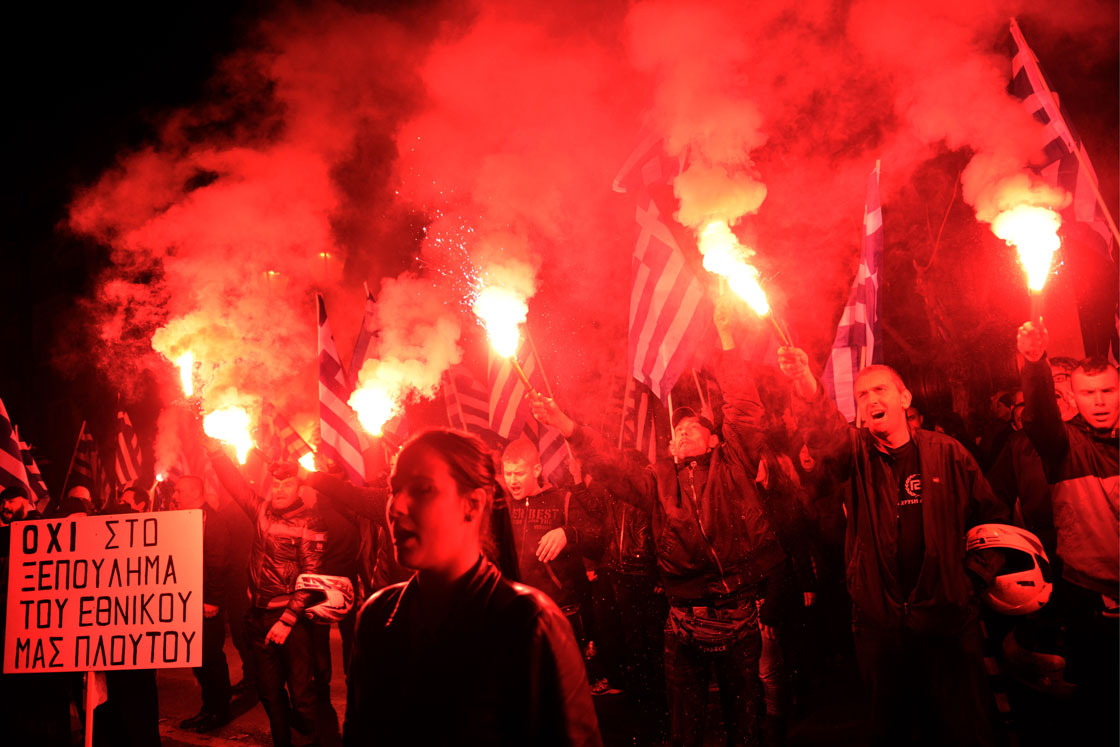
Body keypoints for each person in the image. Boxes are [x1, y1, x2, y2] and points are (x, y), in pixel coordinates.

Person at [533, 297, 785, 747]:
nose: (682, 431)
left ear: (715, 440)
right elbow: (611, 466)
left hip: (738, 615)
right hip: (683, 622)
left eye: (694, 428)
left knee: (744, 725)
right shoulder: (656, 480)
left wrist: (727, 342)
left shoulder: (734, 465)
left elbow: (745, 409)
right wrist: (569, 428)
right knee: (685, 730)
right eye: (677, 430)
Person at [778, 349, 1009, 747]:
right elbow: (824, 429)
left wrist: (969, 580)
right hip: (881, 625)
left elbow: (994, 520)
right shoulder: (856, 456)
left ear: (905, 400)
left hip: (947, 620)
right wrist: (803, 381)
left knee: (962, 727)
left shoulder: (947, 452)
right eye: (862, 396)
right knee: (896, 730)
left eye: (880, 389)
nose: (870, 400)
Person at [343, 428, 601, 746]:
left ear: (473, 504)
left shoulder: (532, 625)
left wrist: (569, 533)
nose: (396, 508)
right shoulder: (376, 615)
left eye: (422, 489)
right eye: (393, 490)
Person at [1017, 321, 1119, 741]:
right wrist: (1035, 362)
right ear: (1073, 398)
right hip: (1089, 598)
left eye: (1107, 391)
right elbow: (1039, 417)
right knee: (1101, 705)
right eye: (1088, 393)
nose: (1098, 401)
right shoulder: (1064, 445)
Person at [207, 448, 325, 747]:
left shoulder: (311, 522)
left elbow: (311, 579)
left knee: (302, 696)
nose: (280, 489)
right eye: (276, 484)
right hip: (258, 618)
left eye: (287, 484)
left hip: (291, 623)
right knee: (269, 694)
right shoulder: (261, 511)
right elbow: (234, 482)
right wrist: (215, 449)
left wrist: (287, 620)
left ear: (300, 488)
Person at [501, 438, 593, 643]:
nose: (512, 481)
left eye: (519, 473)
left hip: (557, 608)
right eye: (508, 473)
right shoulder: (501, 505)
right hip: (516, 607)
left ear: (536, 470)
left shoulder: (562, 499)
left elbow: (596, 539)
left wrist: (567, 533)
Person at [172, 475, 233, 733]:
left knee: (209, 658)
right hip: (192, 599)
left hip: (205, 603)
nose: (174, 496)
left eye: (178, 491)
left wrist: (212, 599)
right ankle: (210, 708)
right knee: (199, 658)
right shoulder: (190, 519)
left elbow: (217, 563)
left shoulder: (212, 521)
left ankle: (217, 711)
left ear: (195, 492)